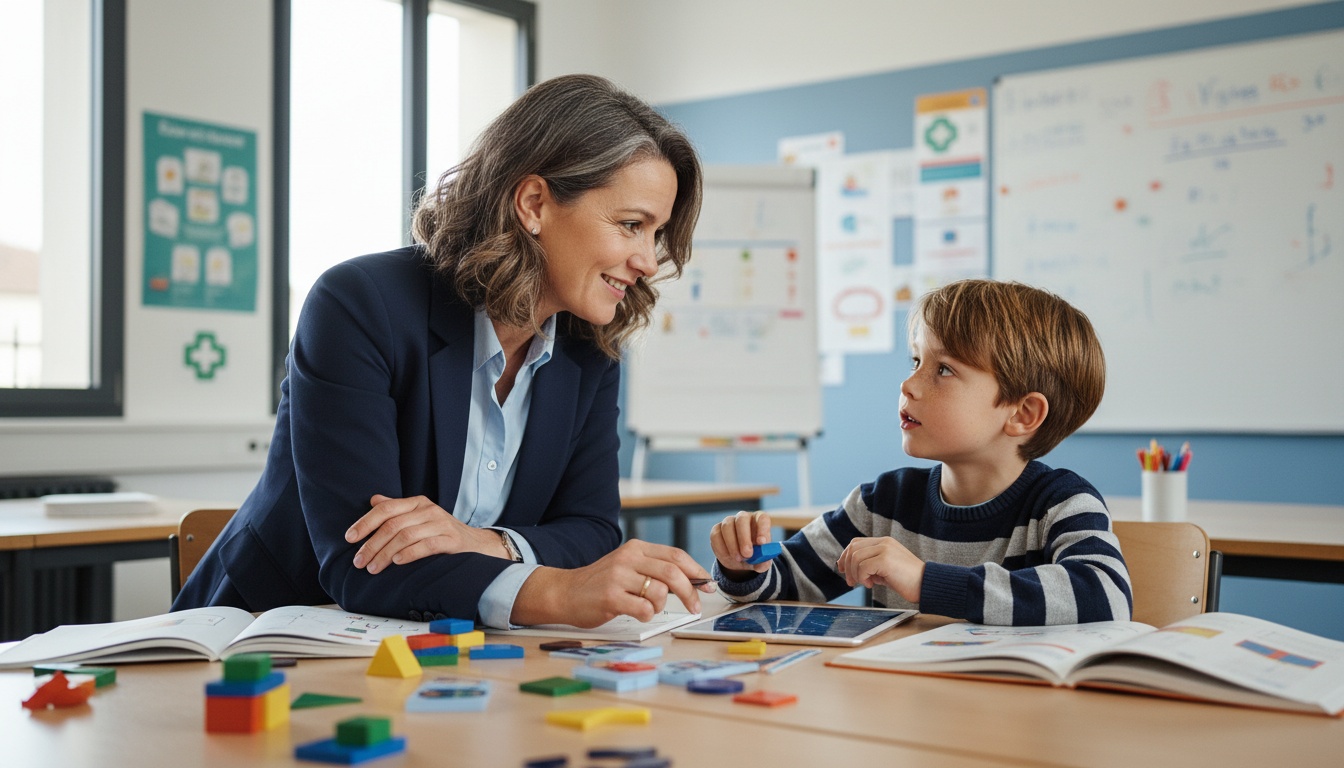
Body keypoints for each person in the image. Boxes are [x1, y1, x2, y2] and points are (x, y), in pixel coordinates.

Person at [174, 74, 714, 629]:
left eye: (656, 234)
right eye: (631, 226)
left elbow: (592, 530)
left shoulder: (590, 348)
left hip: (439, 653)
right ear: (533, 204)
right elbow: (364, 562)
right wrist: (553, 591)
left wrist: (484, 543)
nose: (649, 261)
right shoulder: (361, 305)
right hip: (256, 639)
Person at [710, 279, 1132, 625]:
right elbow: (783, 584)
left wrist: (926, 581)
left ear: (1022, 413)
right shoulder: (882, 504)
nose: (908, 385)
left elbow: (1106, 597)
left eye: (943, 369)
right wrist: (742, 567)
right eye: (915, 361)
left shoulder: (1061, 504)